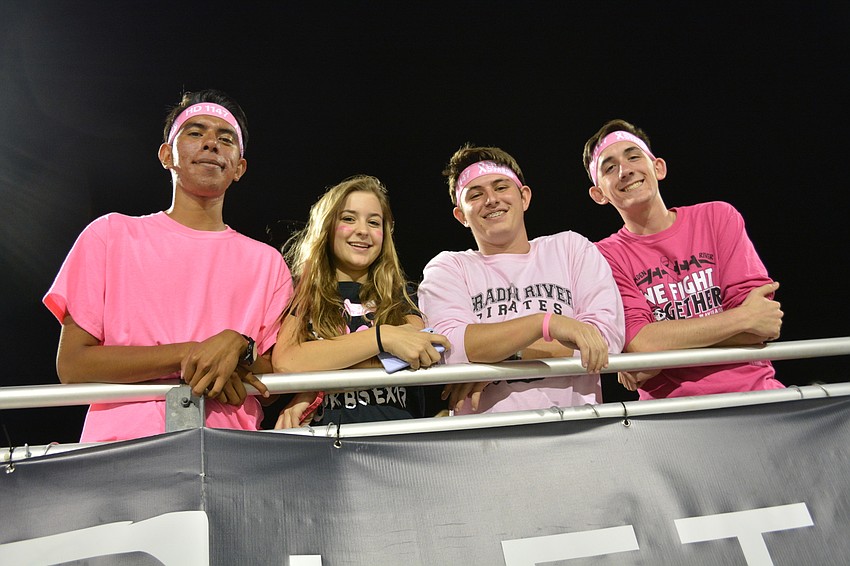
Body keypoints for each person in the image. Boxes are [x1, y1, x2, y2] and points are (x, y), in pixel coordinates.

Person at [43, 89, 293, 442]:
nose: (211, 143)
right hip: (121, 455)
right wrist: (191, 355)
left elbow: (272, 380)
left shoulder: (268, 263)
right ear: (166, 155)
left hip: (232, 456)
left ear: (239, 167)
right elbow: (73, 365)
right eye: (195, 132)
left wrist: (240, 345)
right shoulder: (110, 234)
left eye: (226, 138)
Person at [583, 119, 784, 399]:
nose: (625, 171)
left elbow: (762, 325)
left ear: (658, 167)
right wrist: (741, 318)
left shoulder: (718, 217)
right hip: (671, 416)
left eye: (633, 157)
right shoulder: (604, 255)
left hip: (756, 394)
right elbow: (642, 343)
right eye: (609, 167)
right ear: (598, 194)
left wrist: (663, 350)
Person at [417, 144, 624, 414]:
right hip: (487, 440)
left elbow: (604, 341)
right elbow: (451, 349)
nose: (491, 199)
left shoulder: (571, 248)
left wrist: (493, 359)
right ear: (461, 215)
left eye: (501, 187)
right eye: (475, 194)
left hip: (577, 430)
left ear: (524, 197)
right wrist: (546, 324)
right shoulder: (447, 267)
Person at [272, 175, 450, 428]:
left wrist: (317, 382)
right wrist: (383, 338)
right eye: (348, 218)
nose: (363, 231)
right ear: (327, 227)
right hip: (324, 446)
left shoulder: (402, 296)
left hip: (397, 442)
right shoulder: (302, 293)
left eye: (374, 222)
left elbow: (414, 351)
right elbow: (287, 362)